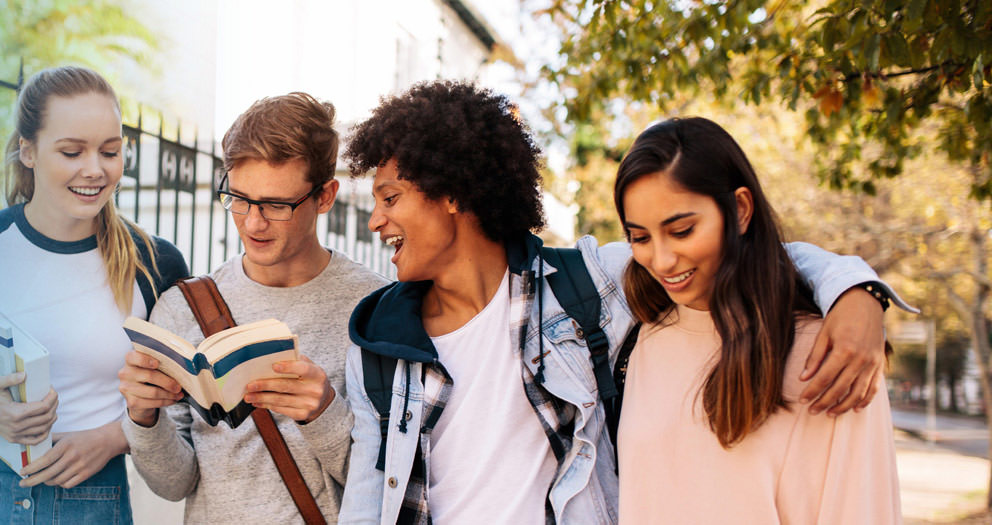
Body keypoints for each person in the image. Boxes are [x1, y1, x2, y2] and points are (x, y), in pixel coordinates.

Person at [337, 81, 912, 524]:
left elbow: (746, 250)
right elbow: (369, 501)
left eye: (390, 196)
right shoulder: (380, 346)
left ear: (453, 192)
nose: (376, 219)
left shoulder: (584, 286)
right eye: (641, 237)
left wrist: (856, 292)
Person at [0, 65, 189, 524]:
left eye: (110, 151)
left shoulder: (155, 265)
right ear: (28, 151)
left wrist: (113, 437)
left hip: (94, 501)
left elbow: (182, 403)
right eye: (72, 151)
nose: (94, 170)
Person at [613, 117, 900, 523]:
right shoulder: (639, 338)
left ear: (741, 209)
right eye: (640, 238)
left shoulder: (833, 351)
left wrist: (862, 291)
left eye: (682, 230)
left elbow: (862, 510)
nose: (661, 260)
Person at [119, 92, 389, 523]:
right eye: (239, 198)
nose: (253, 222)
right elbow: (173, 485)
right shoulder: (182, 308)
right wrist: (143, 417)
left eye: (277, 205)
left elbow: (390, 484)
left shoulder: (375, 308)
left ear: (325, 196)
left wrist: (323, 412)